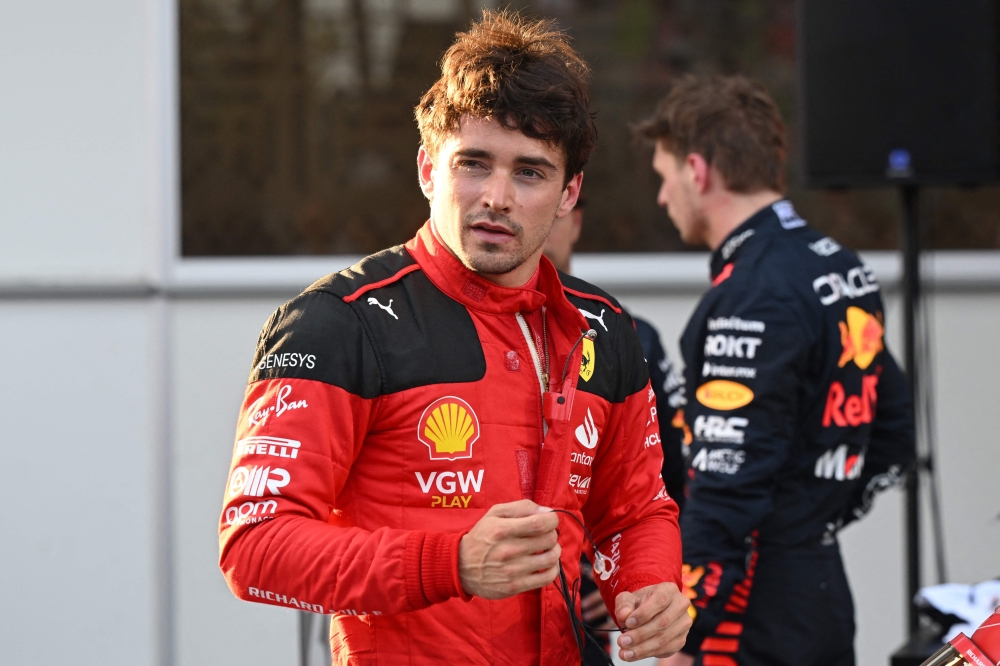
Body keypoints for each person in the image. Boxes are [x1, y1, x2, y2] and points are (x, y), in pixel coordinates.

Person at [218, 12, 691, 665]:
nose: (496, 196)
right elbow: (254, 548)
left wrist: (653, 585)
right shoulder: (336, 323)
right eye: (474, 163)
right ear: (426, 169)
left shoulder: (604, 328)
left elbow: (635, 510)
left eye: (529, 172)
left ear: (568, 193)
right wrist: (449, 563)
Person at [636, 75, 915, 666]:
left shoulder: (752, 294)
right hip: (819, 589)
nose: (662, 198)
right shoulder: (840, 265)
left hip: (753, 613)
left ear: (698, 170)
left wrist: (684, 631)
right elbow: (893, 431)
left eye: (664, 180)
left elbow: (725, 483)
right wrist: (813, 513)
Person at [543, 198, 688, 665]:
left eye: (552, 211)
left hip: (579, 612)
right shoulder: (430, 329)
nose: (527, 216)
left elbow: (659, 486)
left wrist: (644, 583)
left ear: (576, 217)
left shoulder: (621, 335)